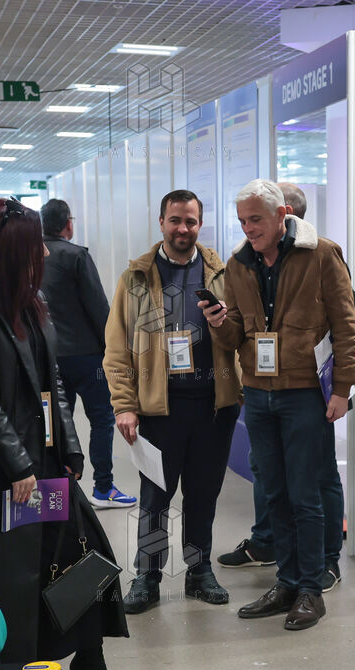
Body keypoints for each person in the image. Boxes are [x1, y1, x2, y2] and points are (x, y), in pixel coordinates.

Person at [0, 198, 129, 670]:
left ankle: (90, 657)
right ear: (14, 251)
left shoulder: (33, 303)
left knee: (84, 554)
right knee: (19, 577)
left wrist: (69, 447)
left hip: (45, 462)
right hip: (4, 473)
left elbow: (53, 383)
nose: (47, 254)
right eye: (37, 247)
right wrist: (18, 464)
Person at [205, 179, 355, 631]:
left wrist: (342, 389)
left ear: (282, 215)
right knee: (274, 492)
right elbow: (236, 333)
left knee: (305, 494)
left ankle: (311, 588)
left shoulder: (322, 254)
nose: (248, 229)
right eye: (242, 221)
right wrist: (218, 323)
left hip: (304, 393)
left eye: (255, 219)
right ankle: (287, 582)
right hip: (258, 393)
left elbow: (346, 326)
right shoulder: (238, 263)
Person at [104, 189, 239, 613]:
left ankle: (200, 572)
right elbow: (116, 350)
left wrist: (224, 325)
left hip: (213, 407)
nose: (183, 229)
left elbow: (240, 335)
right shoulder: (136, 278)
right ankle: (147, 577)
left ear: (200, 224)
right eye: (175, 220)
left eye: (191, 221)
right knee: (155, 498)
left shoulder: (222, 274)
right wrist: (124, 405)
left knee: (203, 495)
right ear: (161, 222)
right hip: (159, 409)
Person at [40, 198, 136, 510]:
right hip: (87, 356)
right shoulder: (77, 255)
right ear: (68, 224)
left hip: (50, 356)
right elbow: (97, 306)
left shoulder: (31, 256)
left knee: (56, 424)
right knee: (102, 420)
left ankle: (57, 493)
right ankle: (103, 488)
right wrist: (114, 349)